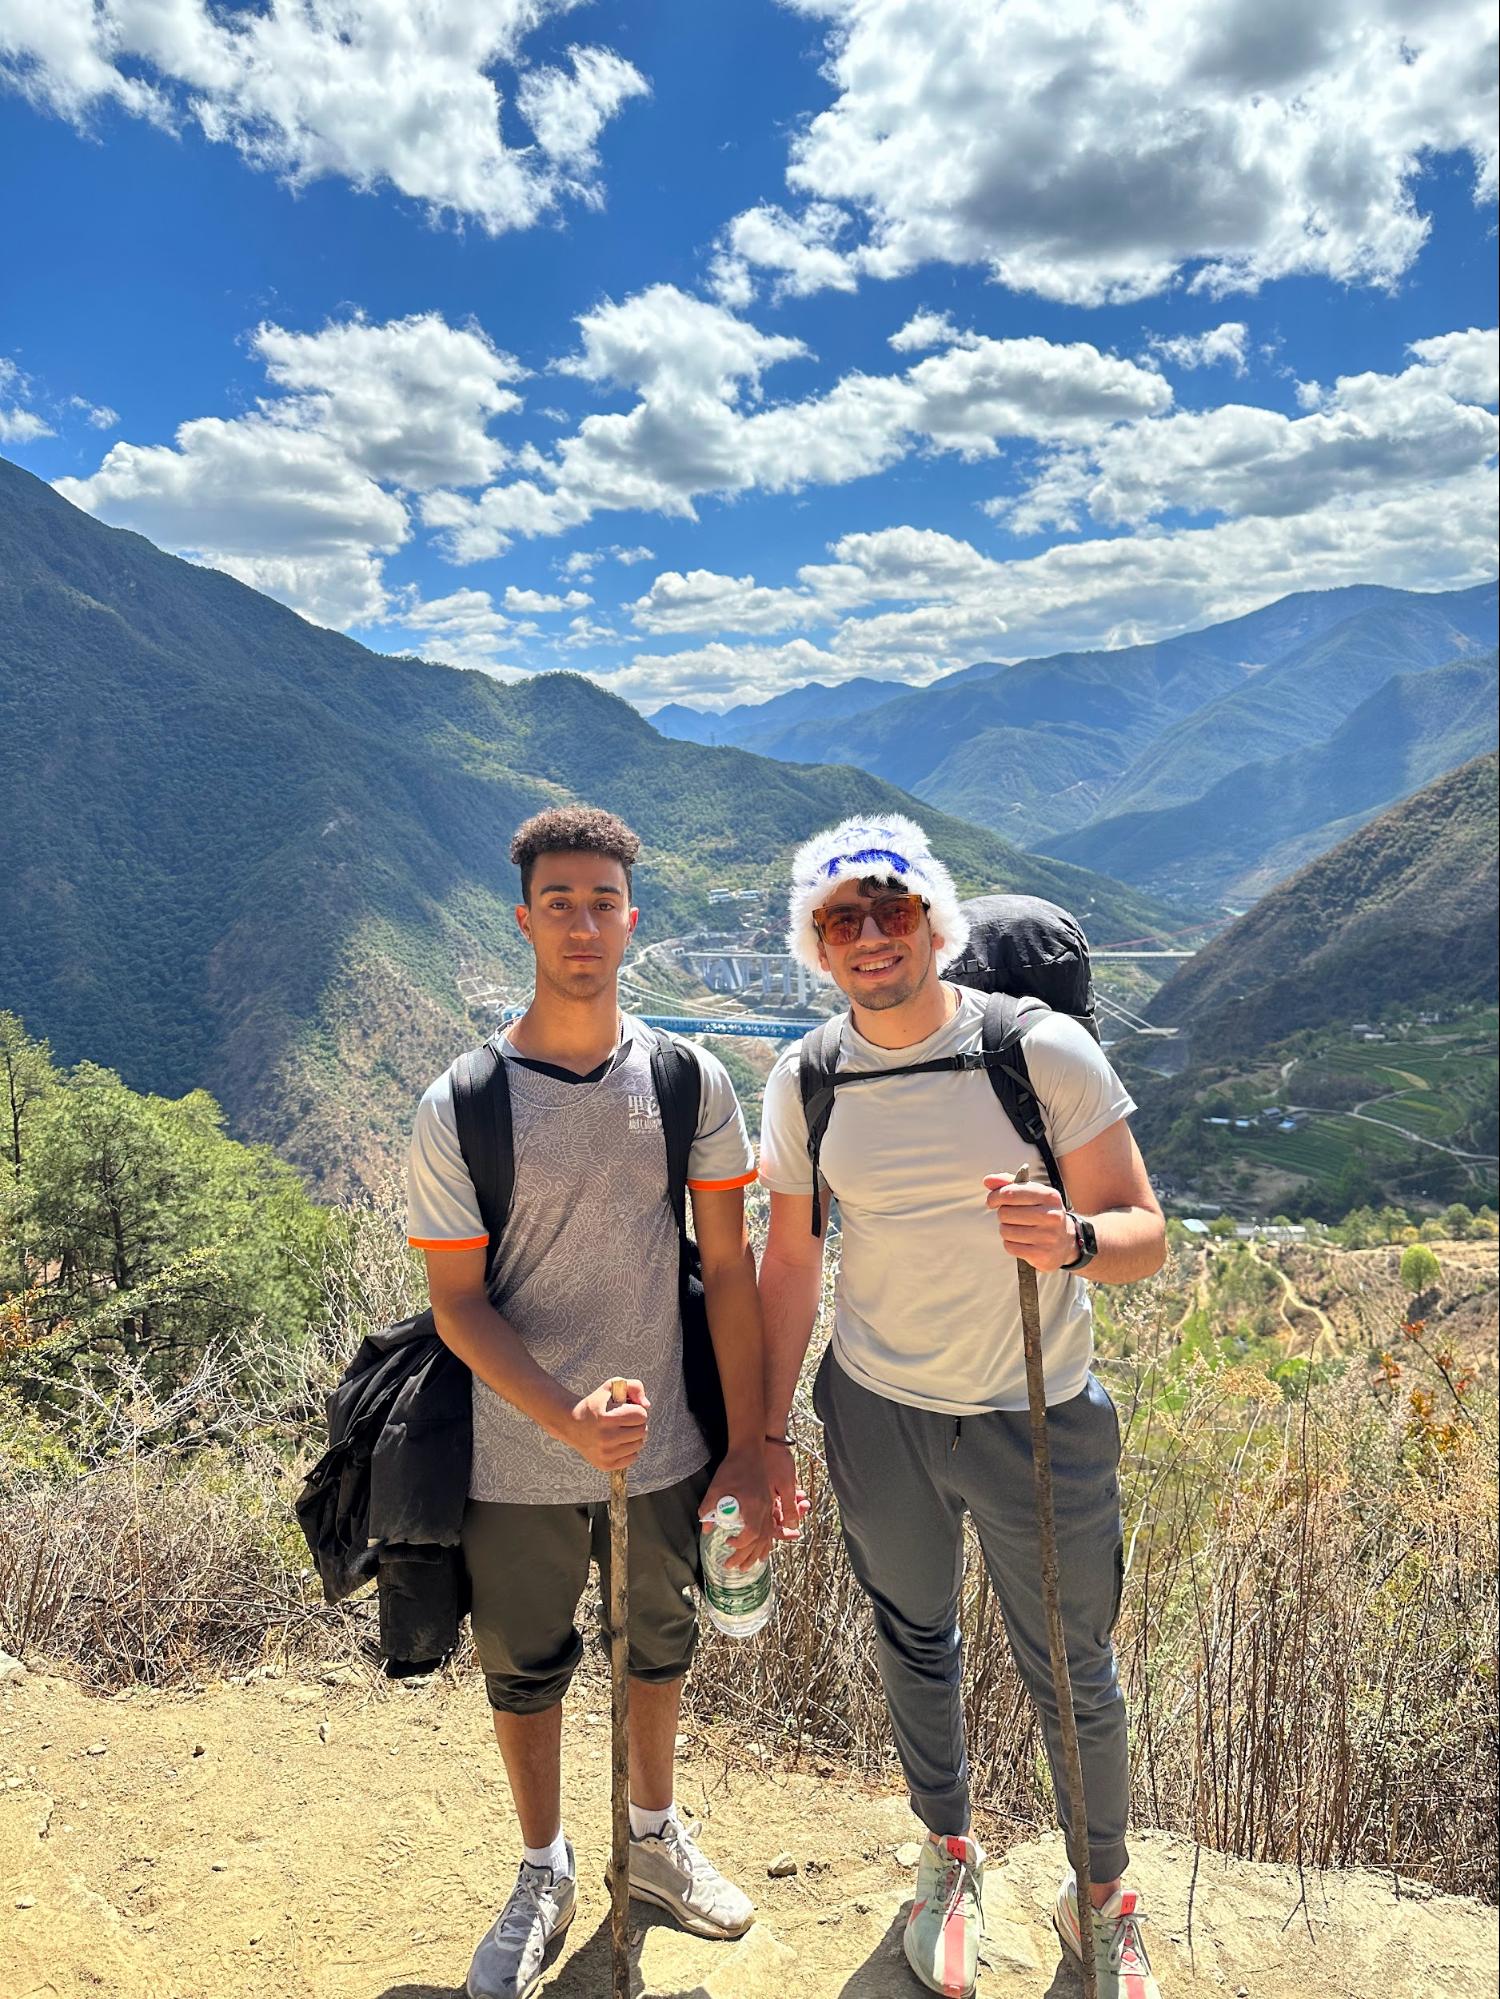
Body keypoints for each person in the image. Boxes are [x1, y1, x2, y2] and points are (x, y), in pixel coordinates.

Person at [756, 814, 1167, 1999]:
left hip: (1033, 1413)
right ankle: (948, 1858)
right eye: (844, 919)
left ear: (935, 921)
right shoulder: (809, 1078)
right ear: (817, 946)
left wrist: (1076, 1237)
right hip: (876, 1407)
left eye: (894, 909)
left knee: (1073, 1668)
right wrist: (766, 1431)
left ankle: (1101, 1898)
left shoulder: (1038, 1055)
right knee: (913, 1637)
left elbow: (1143, 1233)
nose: (873, 935)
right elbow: (791, 1264)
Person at [406, 805, 771, 1999]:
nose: (581, 923)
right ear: (523, 920)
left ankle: (652, 1841)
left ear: (632, 920)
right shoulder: (459, 1103)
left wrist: (750, 1444)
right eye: (558, 902)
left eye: (602, 901)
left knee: (657, 1647)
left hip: (664, 1446)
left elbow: (728, 1271)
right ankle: (543, 1866)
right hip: (516, 1459)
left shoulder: (686, 1081)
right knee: (525, 1664)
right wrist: (563, 1413)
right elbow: (458, 1305)